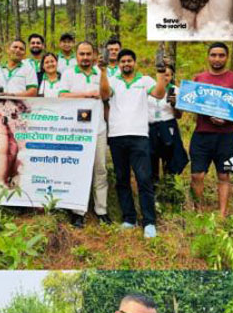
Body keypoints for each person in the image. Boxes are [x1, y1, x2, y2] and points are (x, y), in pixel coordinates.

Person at [99, 48, 168, 238]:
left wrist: (161, 72)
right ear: (119, 64)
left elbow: (160, 94)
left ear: (134, 62)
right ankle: (129, 218)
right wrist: (103, 72)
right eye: (123, 61)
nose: (126, 64)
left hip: (139, 136)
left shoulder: (144, 80)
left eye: (129, 61)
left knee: (143, 179)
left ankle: (149, 222)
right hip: (117, 136)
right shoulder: (112, 80)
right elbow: (104, 95)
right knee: (122, 179)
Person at [189, 42, 233, 217]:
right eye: (213, 55)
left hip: (227, 137)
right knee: (197, 175)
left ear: (227, 57)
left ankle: (222, 214)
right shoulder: (199, 79)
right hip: (201, 134)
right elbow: (191, 104)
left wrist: (227, 119)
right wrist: (207, 115)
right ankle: (198, 212)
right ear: (208, 56)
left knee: (224, 175)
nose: (217, 59)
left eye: (221, 55)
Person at [60, 41, 110, 228]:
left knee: (100, 170)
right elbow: (62, 96)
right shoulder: (68, 73)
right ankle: (77, 211)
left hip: (98, 129)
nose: (85, 57)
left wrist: (103, 73)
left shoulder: (102, 72)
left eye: (88, 54)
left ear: (95, 55)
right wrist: (86, 95)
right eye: (82, 54)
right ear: (76, 55)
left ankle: (102, 210)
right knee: (78, 171)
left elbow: (106, 95)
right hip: (76, 131)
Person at [147, 63, 187, 185]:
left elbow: (179, 116)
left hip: (168, 126)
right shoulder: (149, 88)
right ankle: (154, 186)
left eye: (168, 75)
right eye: (162, 74)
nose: (165, 77)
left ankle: (169, 187)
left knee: (170, 158)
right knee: (152, 158)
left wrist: (174, 104)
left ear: (172, 76)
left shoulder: (173, 90)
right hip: (151, 127)